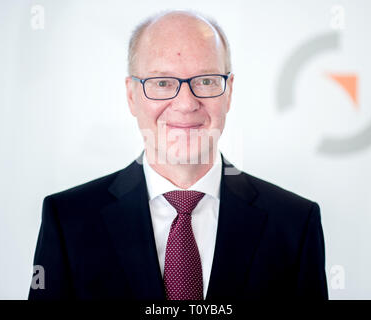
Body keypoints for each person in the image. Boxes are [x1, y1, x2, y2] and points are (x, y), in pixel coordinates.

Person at [28, 10, 328, 300]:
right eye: (162, 83)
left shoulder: (294, 224)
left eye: (206, 81)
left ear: (229, 92)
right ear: (132, 95)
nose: (186, 104)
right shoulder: (69, 221)